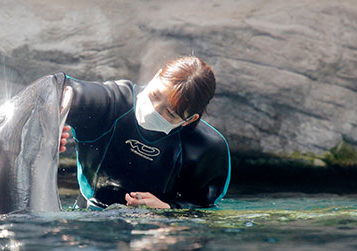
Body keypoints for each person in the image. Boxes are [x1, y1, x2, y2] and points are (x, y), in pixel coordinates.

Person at [59, 56, 231, 210]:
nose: (153, 110)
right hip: (88, 215)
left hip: (154, 232)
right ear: (156, 77)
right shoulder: (112, 102)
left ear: (190, 120)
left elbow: (204, 206)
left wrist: (168, 208)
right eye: (155, 95)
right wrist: (53, 124)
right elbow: (59, 90)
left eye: (169, 113)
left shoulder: (207, 148)